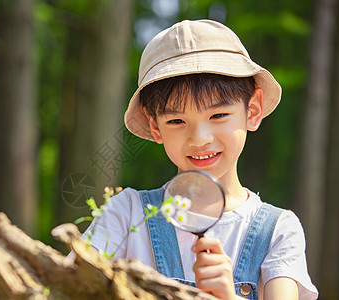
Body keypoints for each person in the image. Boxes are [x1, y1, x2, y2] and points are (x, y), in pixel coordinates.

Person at [81, 19, 318, 300]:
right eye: (177, 120)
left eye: (218, 115)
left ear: (252, 110)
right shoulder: (126, 215)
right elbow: (70, 287)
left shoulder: (277, 230)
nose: (199, 138)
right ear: (155, 126)